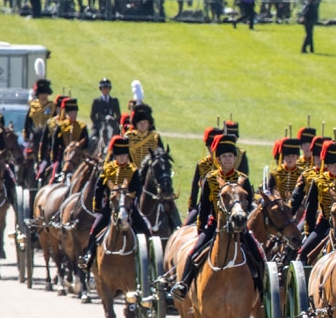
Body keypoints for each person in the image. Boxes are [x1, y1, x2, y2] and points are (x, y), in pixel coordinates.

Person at [171, 134, 265, 299]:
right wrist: (201, 229)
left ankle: (262, 290)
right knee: (194, 253)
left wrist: (243, 224)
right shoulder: (210, 179)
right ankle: (184, 284)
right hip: (216, 225)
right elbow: (205, 208)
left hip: (239, 226)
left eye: (230, 156)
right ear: (218, 159)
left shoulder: (243, 179)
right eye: (224, 157)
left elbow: (249, 204)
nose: (227, 160)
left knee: (257, 254)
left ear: (235, 158)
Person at [79, 135, 152, 271]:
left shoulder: (133, 170)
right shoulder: (107, 169)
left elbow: (138, 188)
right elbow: (99, 188)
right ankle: (89, 255)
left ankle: (149, 259)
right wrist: (97, 206)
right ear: (115, 155)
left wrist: (129, 195)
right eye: (120, 155)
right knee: (95, 229)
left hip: (129, 207)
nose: (122, 157)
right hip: (110, 207)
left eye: (124, 154)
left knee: (144, 229)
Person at [291, 140, 336, 263]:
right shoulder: (318, 182)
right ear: (327, 164)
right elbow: (311, 209)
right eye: (332, 164)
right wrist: (310, 231)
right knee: (303, 253)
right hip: (325, 224)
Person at [187, 126, 223, 224]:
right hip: (204, 205)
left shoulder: (227, 166)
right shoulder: (201, 165)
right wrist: (191, 207)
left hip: (224, 207)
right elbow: (194, 190)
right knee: (185, 225)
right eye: (210, 147)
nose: (213, 150)